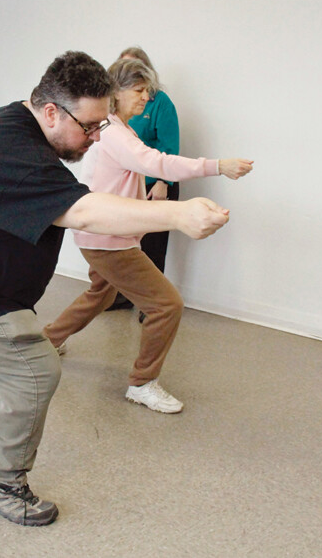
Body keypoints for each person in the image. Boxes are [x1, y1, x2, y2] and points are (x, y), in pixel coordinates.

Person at [0, 51, 231, 526]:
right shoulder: (21, 154)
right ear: (52, 110)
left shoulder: (11, 120)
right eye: (91, 126)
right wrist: (177, 215)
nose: (96, 137)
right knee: (33, 372)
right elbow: (84, 211)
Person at [43, 58, 253, 414]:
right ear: (117, 92)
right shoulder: (112, 132)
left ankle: (47, 341)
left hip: (102, 235)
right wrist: (217, 166)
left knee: (101, 293)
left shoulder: (118, 129)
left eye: (148, 92)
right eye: (139, 91)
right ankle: (142, 383)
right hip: (109, 240)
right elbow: (158, 163)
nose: (145, 99)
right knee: (167, 305)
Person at [106, 47, 183, 314]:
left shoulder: (160, 102)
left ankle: (151, 304)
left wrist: (163, 182)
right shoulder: (112, 109)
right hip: (129, 185)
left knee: (152, 247)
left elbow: (169, 147)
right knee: (125, 246)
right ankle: (123, 296)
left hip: (157, 184)